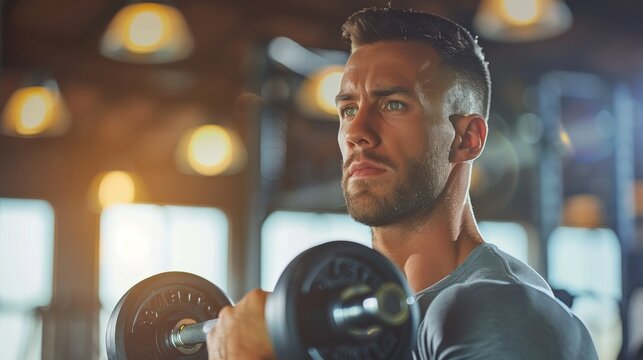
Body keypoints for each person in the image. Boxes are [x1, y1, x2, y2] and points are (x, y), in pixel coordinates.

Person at [207, 7, 599, 359]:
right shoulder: (368, 320)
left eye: (393, 104)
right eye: (348, 108)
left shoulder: (495, 308)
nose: (357, 132)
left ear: (467, 139)